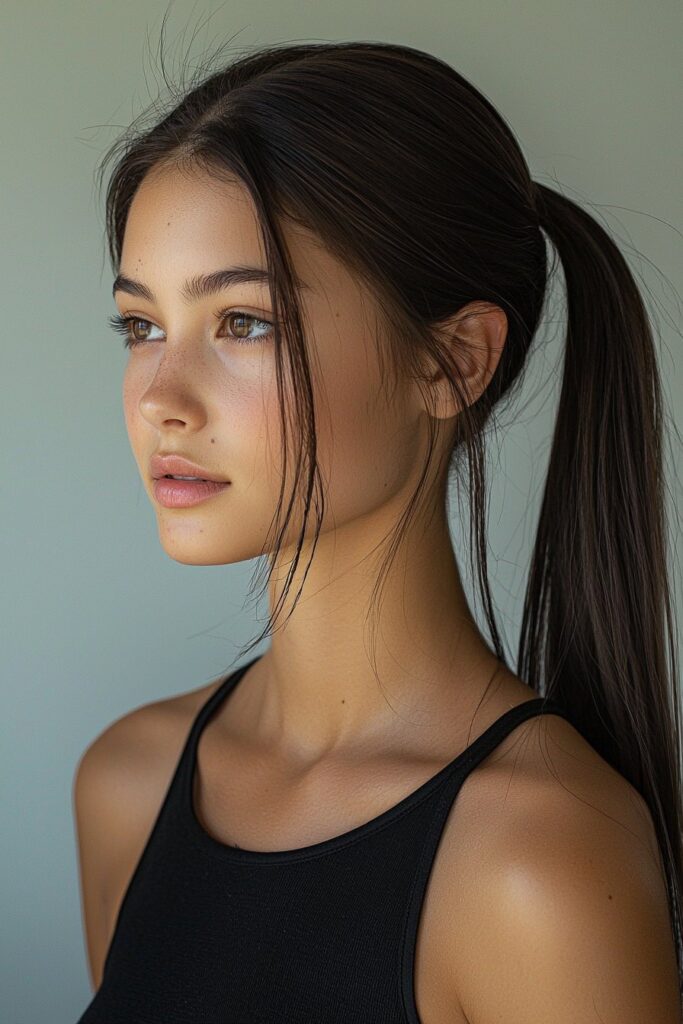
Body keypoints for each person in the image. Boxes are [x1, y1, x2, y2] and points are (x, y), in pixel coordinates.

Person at [72, 37, 682, 1023]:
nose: (158, 399)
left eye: (244, 322)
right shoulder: (123, 787)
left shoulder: (537, 863)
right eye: (141, 326)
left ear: (451, 362)